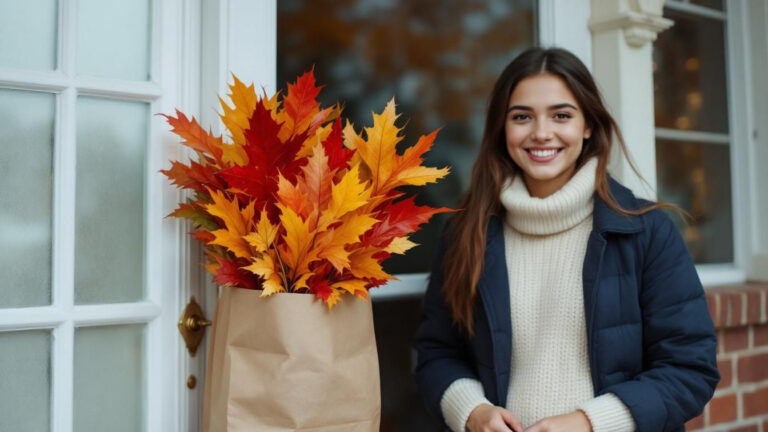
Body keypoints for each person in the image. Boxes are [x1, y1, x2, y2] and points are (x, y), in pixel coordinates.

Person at [413, 47, 719, 432]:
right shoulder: (465, 232)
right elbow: (437, 353)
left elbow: (689, 370)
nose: (541, 133)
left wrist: (588, 423)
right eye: (522, 117)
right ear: (501, 129)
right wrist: (473, 412)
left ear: (588, 125)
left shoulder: (647, 232)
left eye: (561, 115)